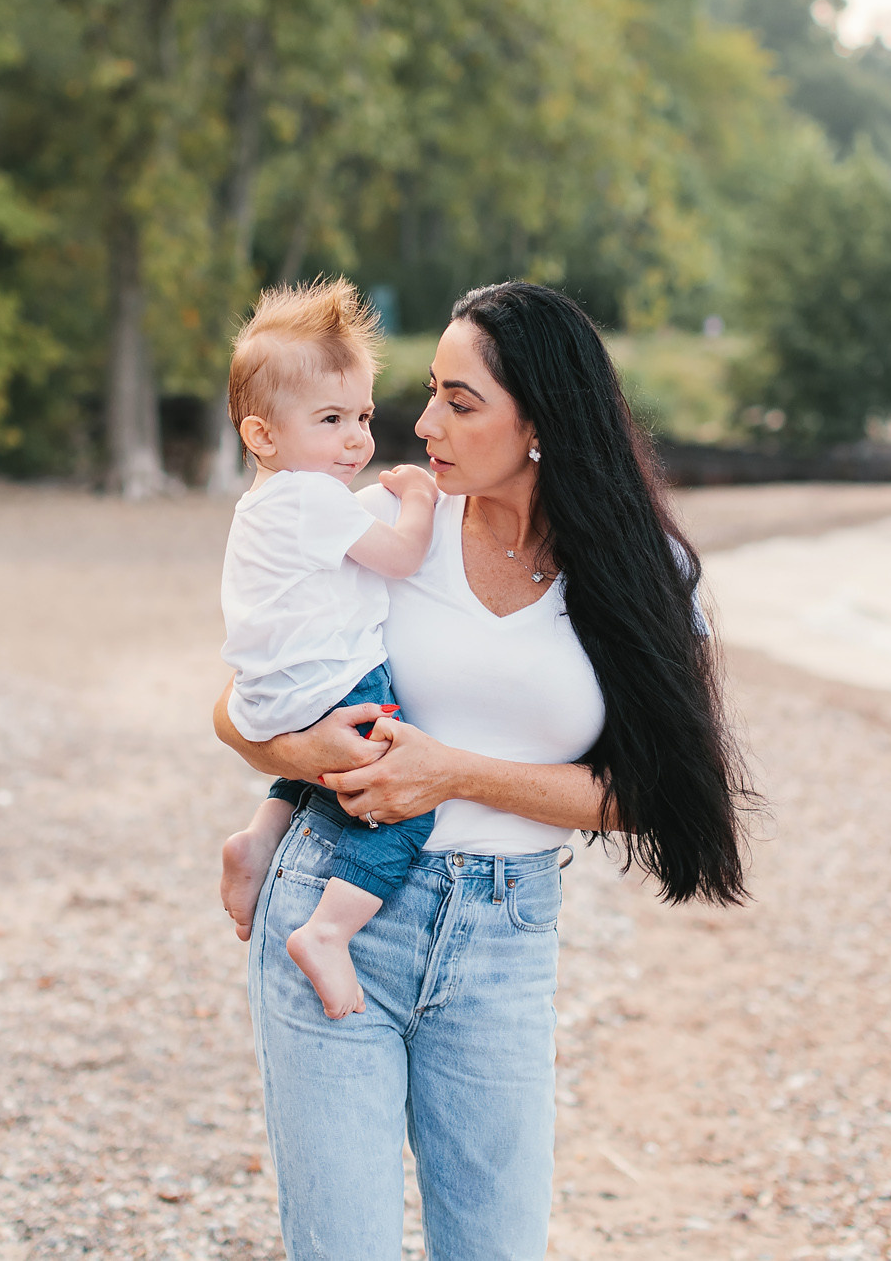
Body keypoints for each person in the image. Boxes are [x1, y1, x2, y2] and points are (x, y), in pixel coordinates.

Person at [213, 280, 756, 1261]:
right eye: (428, 392)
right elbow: (239, 705)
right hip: (334, 911)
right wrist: (305, 755)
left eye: (460, 403)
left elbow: (663, 795)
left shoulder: (643, 574)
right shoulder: (383, 523)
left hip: (505, 940)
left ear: (540, 423)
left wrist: (453, 773)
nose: (421, 424)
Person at [214, 279, 445, 1019]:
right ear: (263, 436)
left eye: (364, 415)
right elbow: (402, 557)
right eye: (331, 418)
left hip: (270, 691)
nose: (357, 438)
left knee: (321, 780)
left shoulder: (258, 509)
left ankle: (259, 837)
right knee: (401, 807)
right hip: (336, 681)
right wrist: (419, 501)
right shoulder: (314, 498)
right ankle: (329, 931)